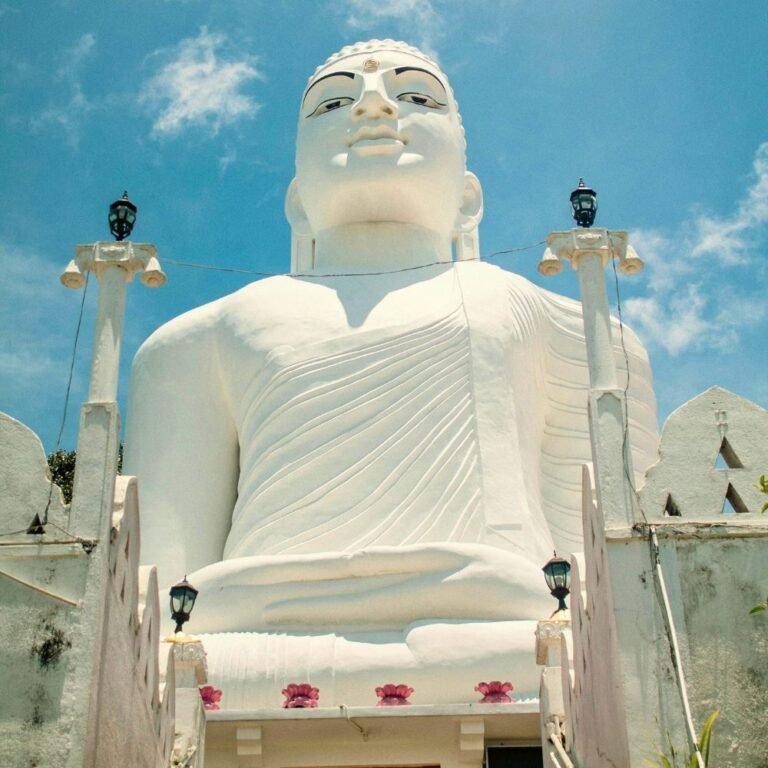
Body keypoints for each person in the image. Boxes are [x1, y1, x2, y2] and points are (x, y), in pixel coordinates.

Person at [124, 40, 658, 707]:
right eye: (333, 103)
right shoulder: (197, 339)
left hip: (497, 627)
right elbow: (157, 600)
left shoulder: (568, 328)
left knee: (572, 654)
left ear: (468, 201)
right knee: (177, 672)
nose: (372, 107)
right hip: (252, 639)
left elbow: (610, 578)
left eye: (414, 96)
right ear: (297, 202)